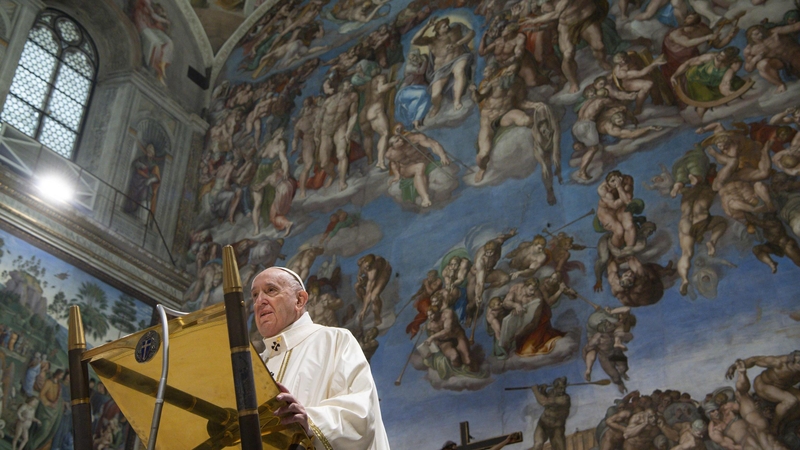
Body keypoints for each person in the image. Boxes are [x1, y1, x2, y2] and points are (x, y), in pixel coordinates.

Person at [252, 266, 390, 449]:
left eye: (271, 290)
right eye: (254, 295)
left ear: (300, 300)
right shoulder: (256, 365)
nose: (260, 301)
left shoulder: (335, 341)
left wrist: (311, 421)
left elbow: (361, 413)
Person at [411, 17, 476, 116]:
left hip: (459, 58)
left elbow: (471, 33)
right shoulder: (432, 40)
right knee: (435, 94)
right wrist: (427, 26)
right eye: (444, 26)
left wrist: (457, 43)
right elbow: (414, 41)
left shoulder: (456, 28)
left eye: (447, 24)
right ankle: (437, 107)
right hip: (441, 68)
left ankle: (457, 101)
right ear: (438, 30)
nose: (447, 26)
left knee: (459, 70)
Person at [531, 377, 570, 450]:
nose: (562, 390)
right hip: (543, 425)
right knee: (537, 445)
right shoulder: (551, 392)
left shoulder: (564, 399)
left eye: (564, 388)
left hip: (556, 429)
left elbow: (544, 402)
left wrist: (535, 390)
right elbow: (547, 399)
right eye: (560, 388)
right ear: (555, 387)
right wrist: (543, 390)